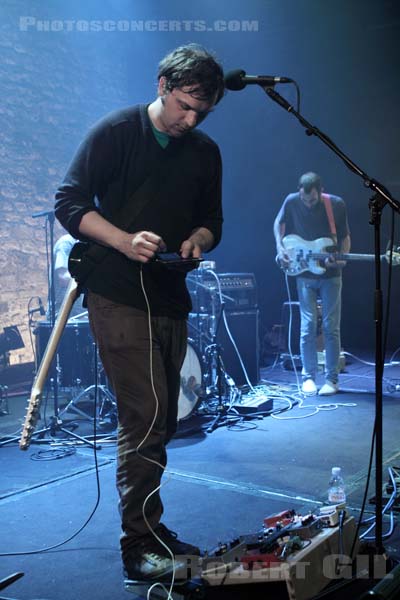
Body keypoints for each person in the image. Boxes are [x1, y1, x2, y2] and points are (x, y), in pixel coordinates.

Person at [54, 44, 225, 584]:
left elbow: (212, 220)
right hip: (115, 290)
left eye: (202, 111)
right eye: (184, 106)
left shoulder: (205, 151)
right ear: (161, 85)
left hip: (170, 294)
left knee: (162, 421)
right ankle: (137, 547)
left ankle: (151, 530)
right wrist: (125, 240)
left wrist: (199, 238)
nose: (190, 120)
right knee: (146, 416)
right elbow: (69, 203)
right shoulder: (116, 131)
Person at [273, 172, 351, 396]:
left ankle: (332, 379)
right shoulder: (291, 201)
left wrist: (342, 257)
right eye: (305, 199)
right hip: (304, 272)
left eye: (313, 200)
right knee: (307, 326)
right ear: (300, 191)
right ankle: (308, 376)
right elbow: (279, 223)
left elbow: (344, 237)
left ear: (321, 191)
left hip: (330, 274)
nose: (308, 203)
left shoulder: (335, 204)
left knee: (330, 327)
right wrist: (280, 248)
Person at [49, 233, 85, 319]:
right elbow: (63, 277)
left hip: (78, 313)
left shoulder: (83, 246)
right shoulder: (66, 243)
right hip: (63, 313)